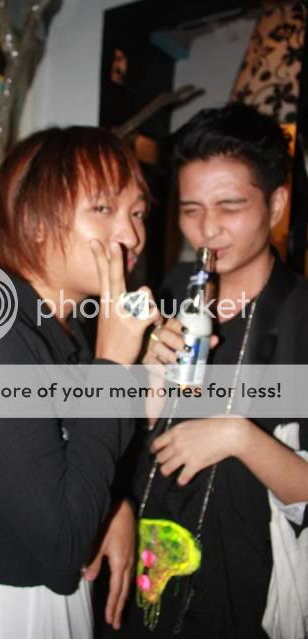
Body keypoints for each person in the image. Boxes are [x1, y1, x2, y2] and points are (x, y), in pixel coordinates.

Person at [0, 126, 159, 639]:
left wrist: (113, 504)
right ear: (36, 222)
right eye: (103, 208)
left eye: (138, 213)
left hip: (48, 591)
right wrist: (112, 368)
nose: (131, 235)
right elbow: (64, 539)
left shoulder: (65, 331)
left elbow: (74, 466)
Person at [94, 103, 308, 638]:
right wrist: (144, 374)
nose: (207, 229)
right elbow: (134, 433)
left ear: (276, 204)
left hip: (239, 598)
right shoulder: (168, 291)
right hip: (142, 577)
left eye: (230, 206)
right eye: (191, 210)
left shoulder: (299, 318)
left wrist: (238, 437)